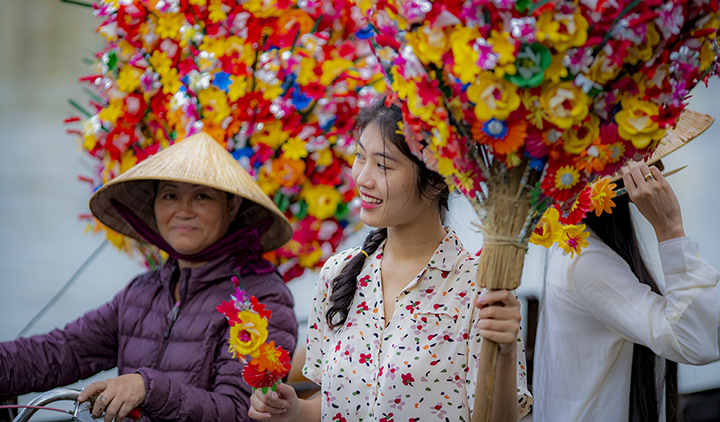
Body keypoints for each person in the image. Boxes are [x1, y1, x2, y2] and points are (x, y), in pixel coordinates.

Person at [248, 100, 532, 421]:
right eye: (360, 156)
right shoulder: (338, 273)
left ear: (437, 178)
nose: (363, 178)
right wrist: (292, 409)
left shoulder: (479, 288)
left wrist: (505, 353)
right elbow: (334, 408)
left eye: (383, 165)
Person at [0, 132, 298, 422]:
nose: (183, 210)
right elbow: (62, 350)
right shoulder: (142, 292)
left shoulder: (261, 299)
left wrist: (147, 389)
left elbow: (240, 412)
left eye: (202, 197)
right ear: (155, 205)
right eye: (170, 195)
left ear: (231, 206)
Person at [533, 111, 720, 422]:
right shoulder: (585, 259)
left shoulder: (578, 244)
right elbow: (697, 343)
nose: (658, 169)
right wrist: (670, 229)